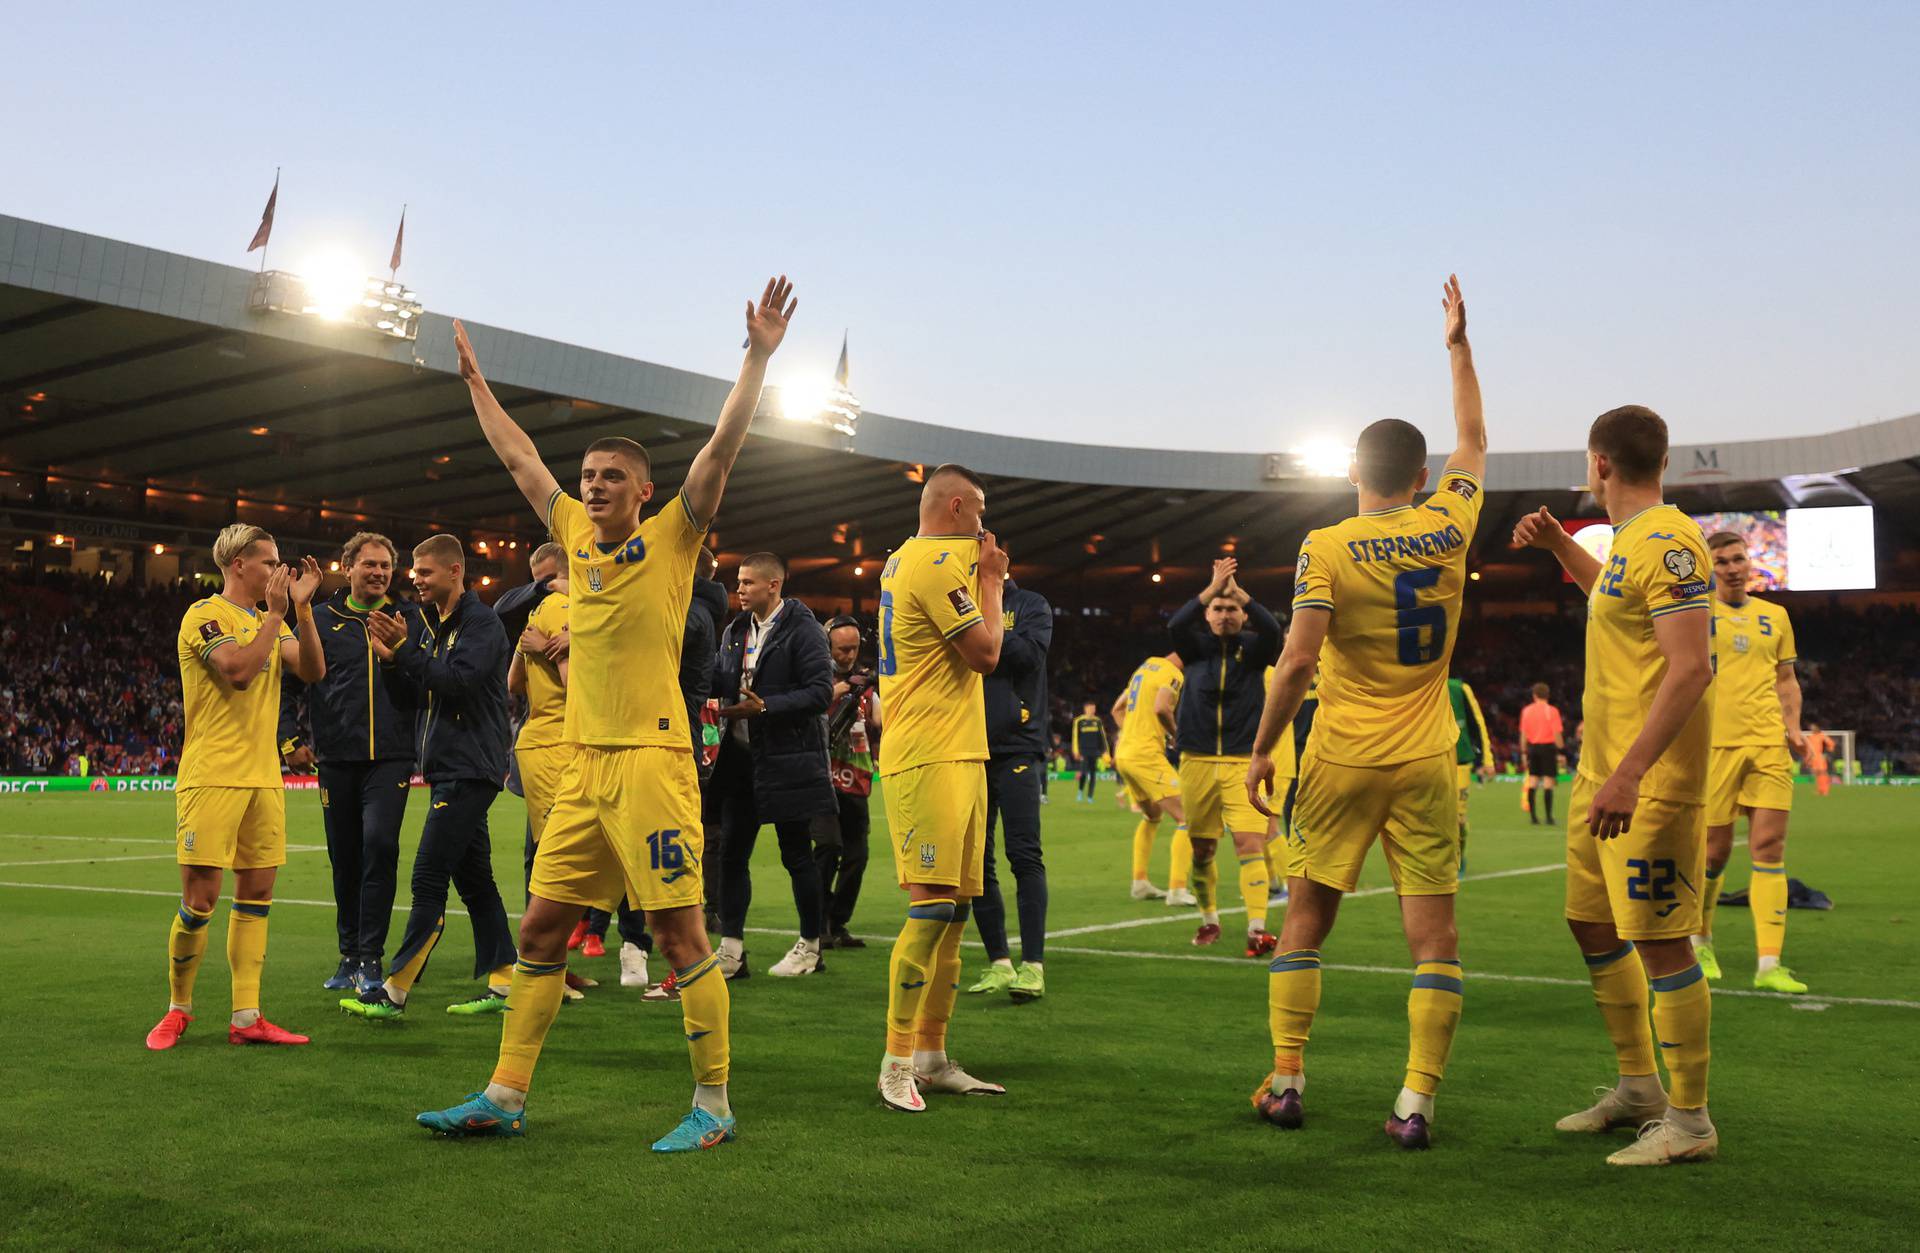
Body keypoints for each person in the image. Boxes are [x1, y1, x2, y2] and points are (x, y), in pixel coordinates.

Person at [417, 277, 795, 1152]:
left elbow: (724, 448)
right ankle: (504, 1094)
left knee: (677, 931)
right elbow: (520, 460)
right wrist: (476, 385)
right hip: (581, 763)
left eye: (610, 476)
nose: (591, 486)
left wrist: (759, 356)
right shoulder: (573, 537)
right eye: (587, 475)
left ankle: (715, 1105)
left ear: (643, 487)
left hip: (653, 763)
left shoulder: (673, 535)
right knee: (542, 926)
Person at [1245, 274, 1485, 1148]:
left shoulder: (1326, 546)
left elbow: (1299, 657)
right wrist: (1457, 345)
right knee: (1436, 937)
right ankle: (1415, 1102)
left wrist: (1263, 748)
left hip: (1342, 756)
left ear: (1353, 470)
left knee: (1306, 918)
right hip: (1428, 757)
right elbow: (1475, 439)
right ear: (1421, 477)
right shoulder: (1451, 521)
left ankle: (1288, 1079)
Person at [1513, 403, 1718, 1167]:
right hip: (1599, 772)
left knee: (1662, 942)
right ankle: (1640, 1087)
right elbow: (1614, 597)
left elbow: (1691, 665)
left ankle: (1691, 1122)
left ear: (1600, 463)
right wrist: (1563, 546)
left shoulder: (1669, 540)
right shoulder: (1632, 542)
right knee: (1592, 925)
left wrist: (1631, 772)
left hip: (1649, 780)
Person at [146, 525, 324, 1051]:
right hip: (212, 774)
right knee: (200, 900)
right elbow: (239, 672)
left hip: (264, 777)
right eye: (269, 561)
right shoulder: (204, 616)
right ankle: (178, 1008)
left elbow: (313, 671)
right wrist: (275, 616)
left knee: (257, 895)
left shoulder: (271, 620)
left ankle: (247, 1015)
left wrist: (303, 612)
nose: (278, 570)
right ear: (239, 564)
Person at [874, 463, 1011, 1113]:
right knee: (930, 909)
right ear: (956, 505)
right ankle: (896, 1061)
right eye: (979, 511)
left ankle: (931, 1055)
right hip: (927, 753)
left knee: (953, 915)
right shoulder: (931, 566)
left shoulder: (907, 559)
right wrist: (991, 580)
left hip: (959, 751)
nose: (984, 526)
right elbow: (986, 653)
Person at [342, 535, 518, 1020]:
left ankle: (395, 990)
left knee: (427, 877)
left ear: (455, 571)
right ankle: (506, 983)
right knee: (476, 880)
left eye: (424, 572)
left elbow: (456, 683)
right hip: (448, 767)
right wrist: (391, 658)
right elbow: (414, 694)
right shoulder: (429, 626)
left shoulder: (481, 624)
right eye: (415, 572)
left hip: (470, 766)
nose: (415, 579)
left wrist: (406, 652)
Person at [279, 530, 422, 994]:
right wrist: (289, 740)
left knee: (379, 847)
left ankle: (371, 959)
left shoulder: (409, 619)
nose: (379, 572)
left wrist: (403, 653)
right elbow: (287, 685)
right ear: (348, 568)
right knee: (345, 857)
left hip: (392, 759)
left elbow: (425, 682)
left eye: (385, 566)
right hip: (337, 758)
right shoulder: (319, 619)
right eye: (370, 564)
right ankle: (348, 955)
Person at [712, 552, 835, 978]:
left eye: (747, 582)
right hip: (742, 760)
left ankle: (811, 946)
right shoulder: (734, 631)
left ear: (773, 585)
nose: (740, 589)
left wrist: (766, 709)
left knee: (797, 854)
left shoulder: (804, 631)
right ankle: (731, 950)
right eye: (738, 582)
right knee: (731, 854)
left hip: (788, 759)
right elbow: (721, 679)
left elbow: (821, 692)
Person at [1695, 531, 1808, 994]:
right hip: (1715, 745)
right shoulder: (1697, 615)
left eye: (1738, 558)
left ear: (1750, 562)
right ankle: (1700, 940)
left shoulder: (1775, 616)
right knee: (1714, 853)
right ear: (1710, 569)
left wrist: (1794, 727)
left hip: (1767, 744)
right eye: (1721, 561)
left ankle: (1769, 964)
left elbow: (1787, 679)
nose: (1732, 568)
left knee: (1769, 847)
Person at [1169, 558, 1285, 955]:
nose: (1225, 615)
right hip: (1197, 760)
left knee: (1250, 843)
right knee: (1202, 850)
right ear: (1207, 615)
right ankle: (1209, 920)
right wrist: (1212, 586)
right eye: (1217, 609)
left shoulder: (1254, 650)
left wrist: (1242, 594)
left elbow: (1271, 628)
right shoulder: (1195, 648)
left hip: (1241, 762)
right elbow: (1174, 625)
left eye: (1231, 609)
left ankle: (1256, 928)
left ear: (1241, 615)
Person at [967, 573, 1053, 1002]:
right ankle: (999, 962)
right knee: (978, 864)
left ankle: (1033, 965)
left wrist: (988, 617)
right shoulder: (957, 602)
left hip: (1019, 748)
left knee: (1024, 854)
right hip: (969, 747)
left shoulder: (1032, 604)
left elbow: (1030, 657)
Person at [817, 615, 882, 949]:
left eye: (854, 648)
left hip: (856, 777)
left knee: (858, 855)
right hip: (822, 778)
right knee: (827, 848)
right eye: (842, 649)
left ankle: (837, 921)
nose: (849, 655)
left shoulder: (867, 681)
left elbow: (878, 722)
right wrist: (841, 688)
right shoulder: (815, 674)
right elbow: (807, 705)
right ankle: (816, 923)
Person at [1110, 653, 1186, 901]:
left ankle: (1140, 883)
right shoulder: (1173, 674)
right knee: (1189, 818)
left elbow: (1116, 709)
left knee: (1152, 815)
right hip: (1145, 755)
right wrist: (1176, 736)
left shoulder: (1143, 669)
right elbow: (1162, 708)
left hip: (1125, 754)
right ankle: (1177, 889)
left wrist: (1132, 733)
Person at [1449, 676, 1493, 875]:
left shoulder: (1459, 689)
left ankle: (1459, 857)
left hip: (1459, 762)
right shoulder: (1417, 684)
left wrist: (1487, 760)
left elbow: (1477, 723)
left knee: (1458, 819)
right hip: (1428, 761)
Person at [1520, 683, 1565, 825]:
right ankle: (1549, 818)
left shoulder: (1526, 711)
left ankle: (1533, 817)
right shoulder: (1552, 711)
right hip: (1548, 748)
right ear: (1548, 695)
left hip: (1532, 748)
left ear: (1534, 695)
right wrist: (1561, 749)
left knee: (1533, 780)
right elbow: (1557, 733)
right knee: (1548, 782)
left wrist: (1523, 751)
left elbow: (1523, 734)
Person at [1070, 703, 1108, 802]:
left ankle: (1090, 796)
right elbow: (1075, 737)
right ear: (1085, 709)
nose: (1092, 710)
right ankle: (1080, 791)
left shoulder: (1097, 721)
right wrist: (1076, 751)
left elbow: (1102, 737)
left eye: (1094, 708)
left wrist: (1105, 751)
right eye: (1090, 708)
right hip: (1083, 751)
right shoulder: (1079, 721)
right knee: (1083, 773)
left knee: (1093, 774)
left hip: (1094, 751)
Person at [1803, 722, 1836, 796]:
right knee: (1817, 774)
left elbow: (1831, 743)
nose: (1812, 728)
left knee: (1823, 773)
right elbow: (1808, 748)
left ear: (1817, 727)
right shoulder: (1810, 737)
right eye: (1811, 727)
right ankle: (1820, 790)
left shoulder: (1821, 736)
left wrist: (1828, 753)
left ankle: (1825, 790)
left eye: (1813, 727)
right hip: (1813, 758)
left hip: (1819, 757)